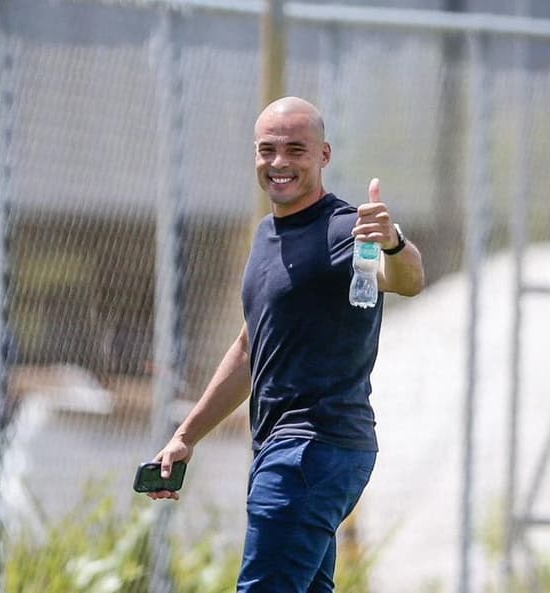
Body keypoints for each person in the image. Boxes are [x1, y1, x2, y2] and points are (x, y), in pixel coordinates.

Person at [148, 96, 425, 592]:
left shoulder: (346, 230)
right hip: (286, 449)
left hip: (313, 448)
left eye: (295, 149)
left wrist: (393, 243)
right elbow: (248, 348)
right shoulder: (266, 234)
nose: (279, 162)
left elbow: (406, 280)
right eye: (267, 149)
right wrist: (186, 436)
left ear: (323, 155)